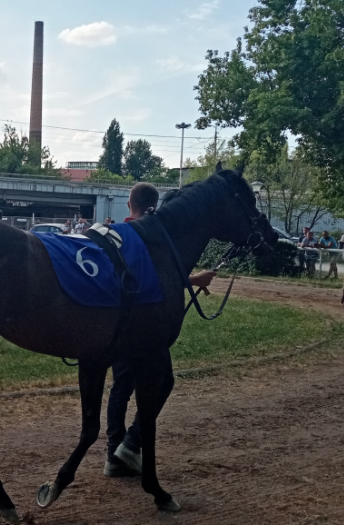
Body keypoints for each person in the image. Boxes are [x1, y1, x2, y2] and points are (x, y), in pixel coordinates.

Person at [104, 182, 217, 478]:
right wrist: (194, 279)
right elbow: (156, 279)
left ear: (129, 204)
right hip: (147, 324)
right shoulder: (151, 237)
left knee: (120, 388)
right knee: (163, 381)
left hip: (117, 323)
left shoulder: (115, 233)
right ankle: (131, 444)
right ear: (154, 207)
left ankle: (114, 453)